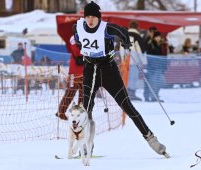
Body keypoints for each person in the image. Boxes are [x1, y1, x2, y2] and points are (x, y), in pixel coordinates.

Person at [68, 1, 167, 157]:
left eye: (94, 16)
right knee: (86, 111)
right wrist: (81, 47)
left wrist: (126, 42)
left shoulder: (106, 28)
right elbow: (76, 36)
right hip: (90, 69)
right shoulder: (78, 27)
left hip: (108, 70)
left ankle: (152, 139)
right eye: (88, 16)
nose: (90, 20)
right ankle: (87, 147)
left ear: (98, 18)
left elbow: (123, 31)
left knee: (127, 105)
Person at [55, 36, 84, 120]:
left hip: (84, 72)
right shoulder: (74, 38)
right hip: (74, 72)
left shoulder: (87, 37)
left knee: (83, 94)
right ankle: (61, 112)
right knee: (70, 93)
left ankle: (80, 114)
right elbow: (76, 50)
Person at [144, 31, 167, 102]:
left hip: (159, 67)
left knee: (160, 82)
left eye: (159, 37)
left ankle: (155, 95)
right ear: (154, 37)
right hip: (152, 67)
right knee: (152, 83)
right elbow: (148, 55)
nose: (158, 38)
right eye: (156, 37)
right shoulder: (150, 44)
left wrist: (164, 66)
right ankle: (150, 96)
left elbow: (164, 56)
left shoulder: (162, 45)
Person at [127, 20, 146, 101]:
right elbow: (140, 50)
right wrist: (144, 62)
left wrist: (123, 59)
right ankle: (131, 94)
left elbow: (120, 48)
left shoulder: (124, 34)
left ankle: (127, 94)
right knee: (133, 78)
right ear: (137, 27)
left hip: (126, 61)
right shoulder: (137, 36)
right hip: (134, 61)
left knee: (126, 77)